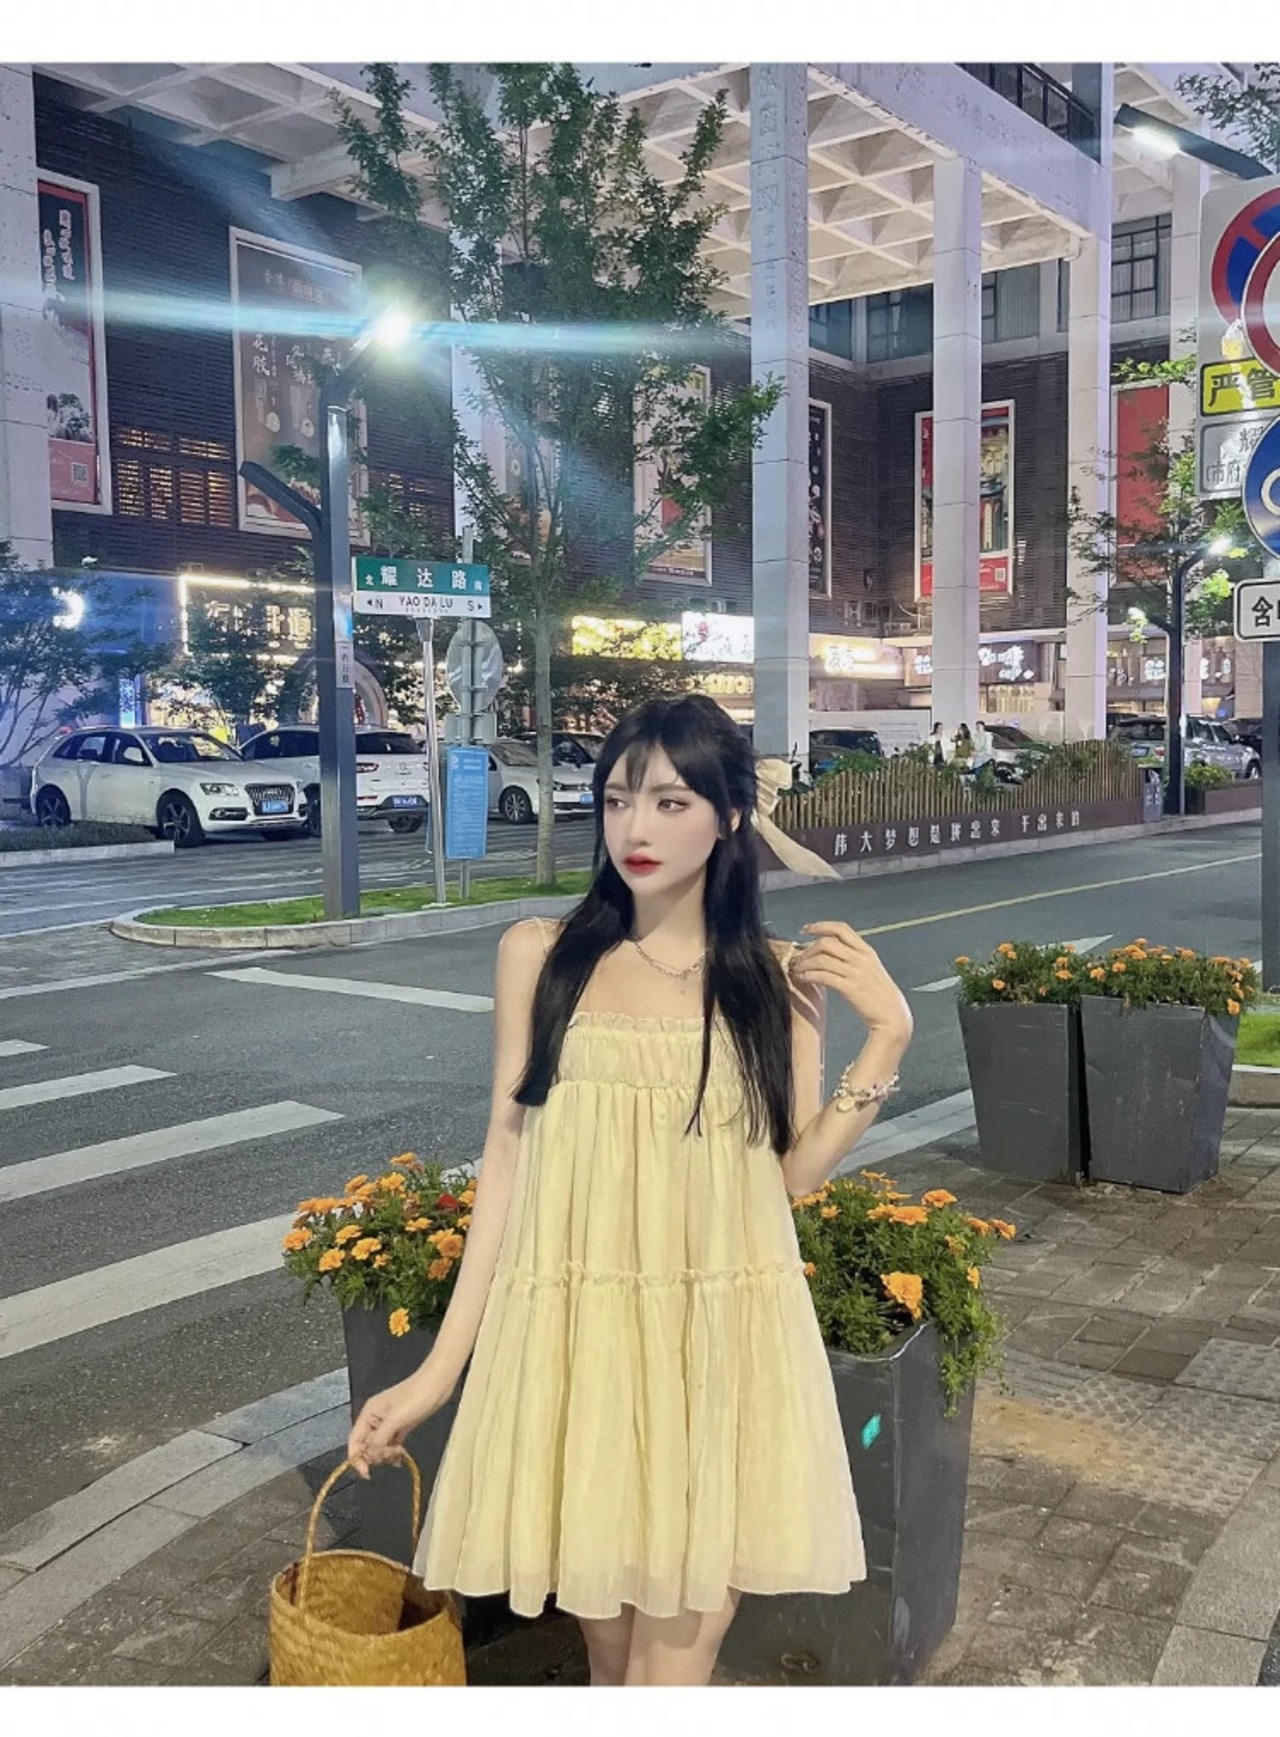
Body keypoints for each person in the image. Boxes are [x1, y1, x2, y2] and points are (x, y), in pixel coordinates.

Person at [347, 694, 913, 1688]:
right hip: (583, 1350)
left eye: (668, 802)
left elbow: (790, 1173)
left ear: (728, 817)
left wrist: (888, 1040)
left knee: (670, 1665)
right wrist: (436, 1375)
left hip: (716, 1348)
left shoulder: (773, 978)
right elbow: (507, 1161)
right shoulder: (541, 955)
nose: (634, 828)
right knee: (611, 1664)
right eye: (616, 800)